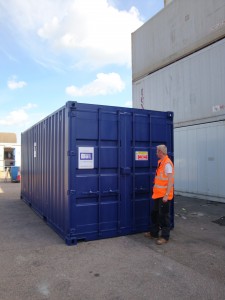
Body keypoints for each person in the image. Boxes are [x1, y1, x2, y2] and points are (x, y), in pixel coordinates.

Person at [144, 144, 174, 245]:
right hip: (158, 194)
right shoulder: (161, 162)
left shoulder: (167, 164)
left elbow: (170, 181)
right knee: (155, 214)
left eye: (157, 151)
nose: (156, 153)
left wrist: (166, 195)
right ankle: (154, 233)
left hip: (164, 196)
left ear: (161, 152)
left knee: (164, 216)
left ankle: (165, 237)